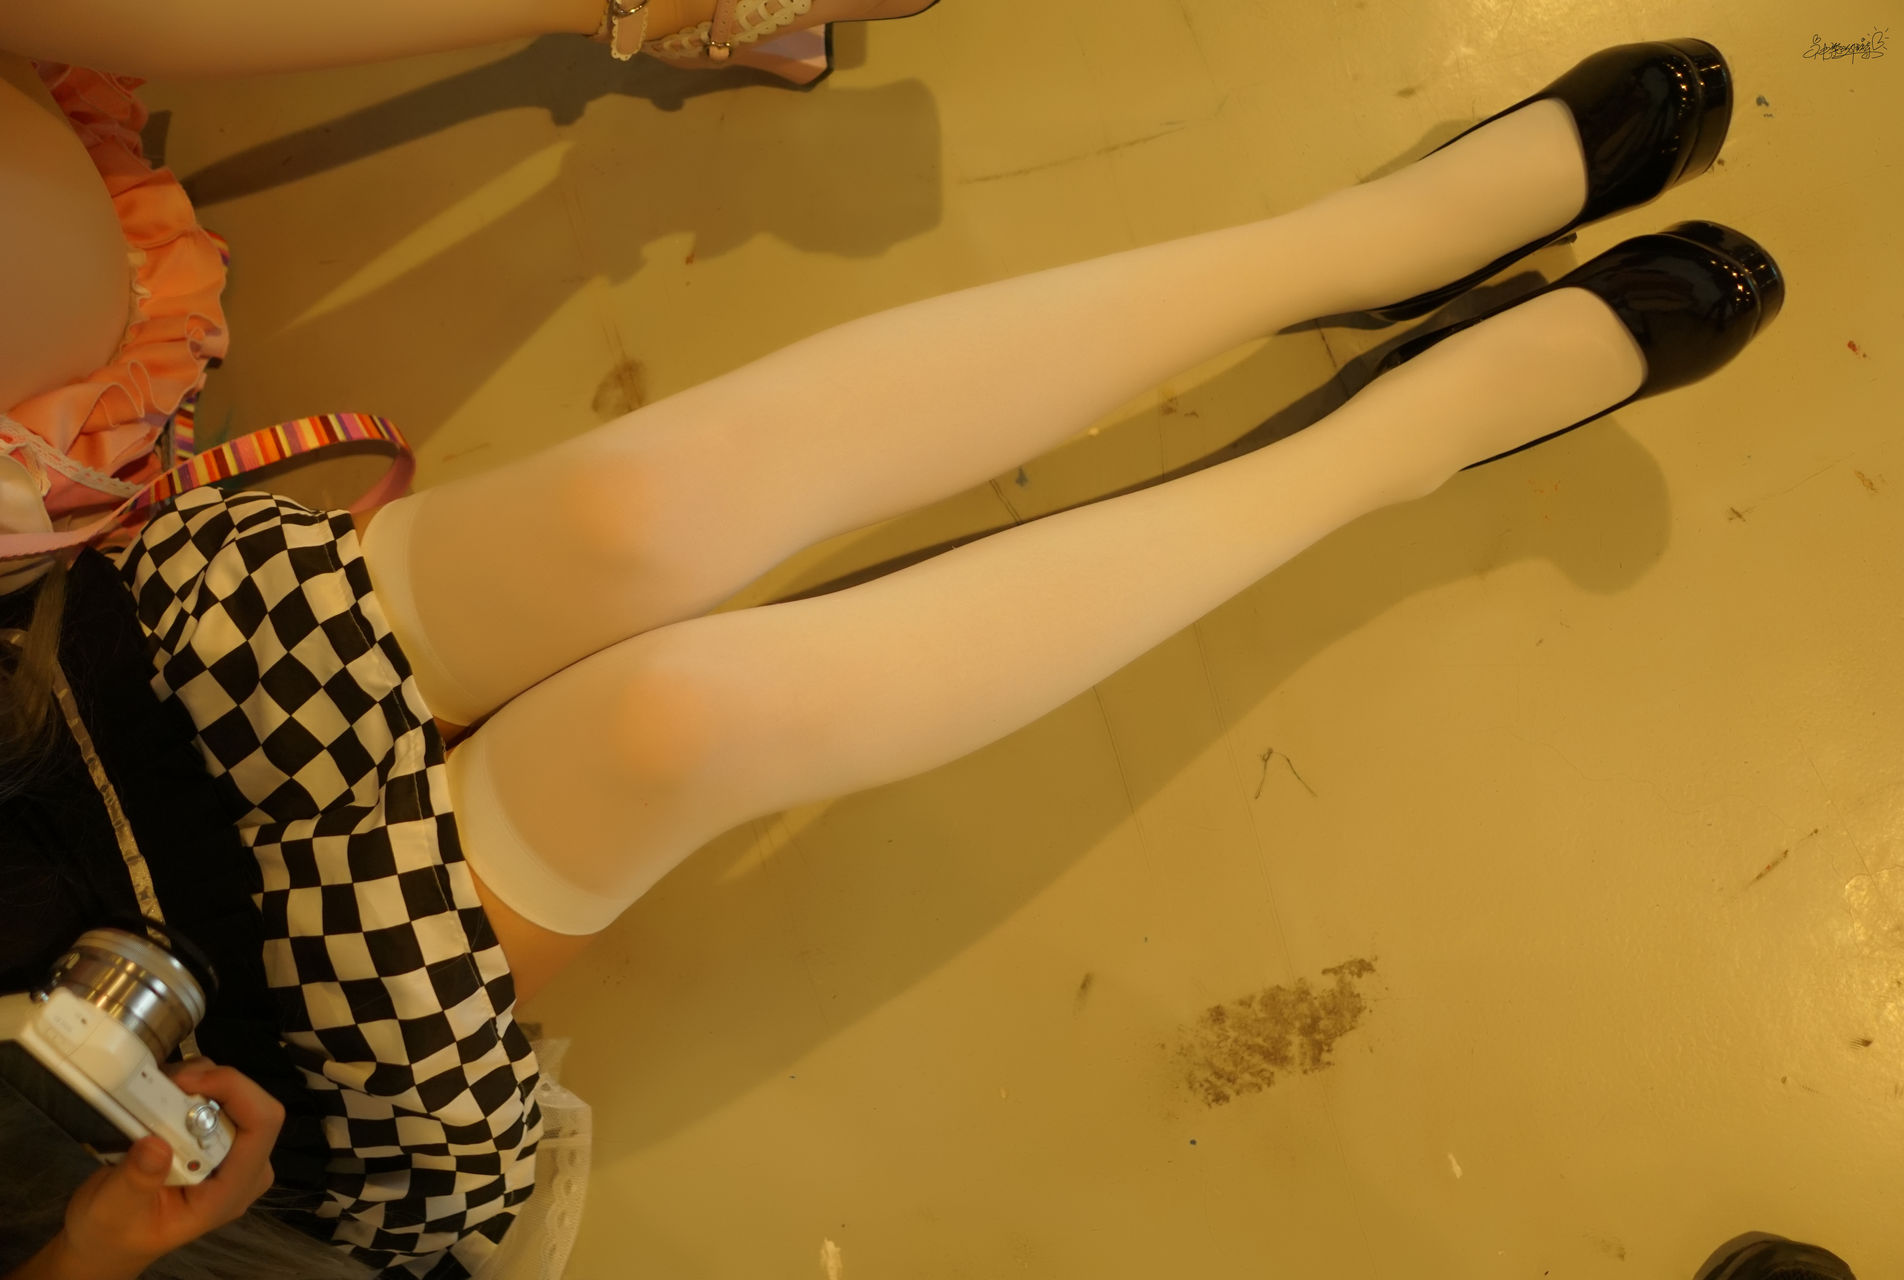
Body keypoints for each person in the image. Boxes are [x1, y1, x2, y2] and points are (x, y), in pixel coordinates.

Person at [1, 27, 1781, 1280]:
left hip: (40, 749)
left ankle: (1364, 246)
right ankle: (1398, 443)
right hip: (194, 1124)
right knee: (674, 725)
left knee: (632, 519)